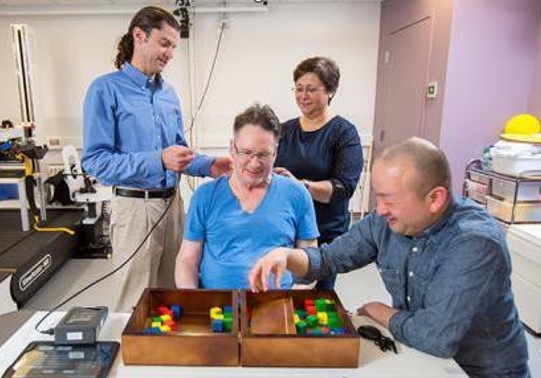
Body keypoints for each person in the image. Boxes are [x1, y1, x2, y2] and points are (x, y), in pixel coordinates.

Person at [249, 137, 530, 377]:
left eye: (389, 199)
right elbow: (328, 259)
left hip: (479, 370)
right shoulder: (385, 221)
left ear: (435, 199)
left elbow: (435, 337)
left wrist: (377, 310)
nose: (379, 209)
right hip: (420, 355)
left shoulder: (474, 243)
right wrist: (285, 255)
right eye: (377, 197)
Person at [81, 6, 232, 312]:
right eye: (165, 43)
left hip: (173, 207)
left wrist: (208, 165)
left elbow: (178, 153)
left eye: (174, 46)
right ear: (139, 36)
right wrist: (157, 161)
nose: (171, 53)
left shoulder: (168, 94)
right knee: (136, 303)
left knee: (176, 291)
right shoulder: (105, 89)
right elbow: (96, 162)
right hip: (135, 209)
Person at [175, 104, 319, 289]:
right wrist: (194, 303)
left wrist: (291, 301)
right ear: (232, 149)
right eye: (247, 152)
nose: (254, 163)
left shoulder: (297, 194)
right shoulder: (205, 197)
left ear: (275, 151)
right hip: (215, 307)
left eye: (263, 154)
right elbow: (187, 260)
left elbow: (310, 263)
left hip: (277, 304)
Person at [274, 57, 363, 290]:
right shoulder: (283, 130)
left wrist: (300, 186)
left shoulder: (344, 133)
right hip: (287, 230)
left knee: (315, 302)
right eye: (299, 89)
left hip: (325, 233)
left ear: (331, 91)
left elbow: (344, 187)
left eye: (311, 89)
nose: (303, 96)